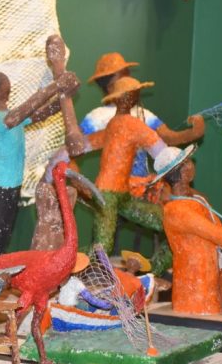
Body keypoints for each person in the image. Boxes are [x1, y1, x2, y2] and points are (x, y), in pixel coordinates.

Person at [85, 77, 203, 272]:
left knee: (170, 224)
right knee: (102, 246)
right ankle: (79, 269)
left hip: (122, 194)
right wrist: (180, 166)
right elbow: (162, 152)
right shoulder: (129, 124)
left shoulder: (117, 123)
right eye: (134, 93)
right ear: (130, 97)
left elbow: (83, 144)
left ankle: (150, 273)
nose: (135, 97)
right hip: (109, 195)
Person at [0, 69, 76, 261]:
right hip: (1, 189)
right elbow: (28, 107)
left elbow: (41, 114)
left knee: (2, 236)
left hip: (11, 188)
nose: (9, 85)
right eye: (4, 83)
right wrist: (56, 85)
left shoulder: (11, 117)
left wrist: (64, 98)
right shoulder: (0, 119)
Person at [79, 52, 204, 178]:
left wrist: (193, 133)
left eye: (128, 74)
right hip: (112, 183)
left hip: (141, 183)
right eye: (124, 77)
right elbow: (76, 147)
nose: (130, 81)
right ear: (110, 87)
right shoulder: (96, 118)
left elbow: (167, 137)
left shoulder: (143, 114)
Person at [161, 160, 222, 315]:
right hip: (196, 286)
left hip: (207, 277)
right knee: (203, 315)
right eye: (186, 162)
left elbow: (215, 230)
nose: (191, 164)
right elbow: (220, 236)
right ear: (182, 173)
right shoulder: (178, 210)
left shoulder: (193, 201)